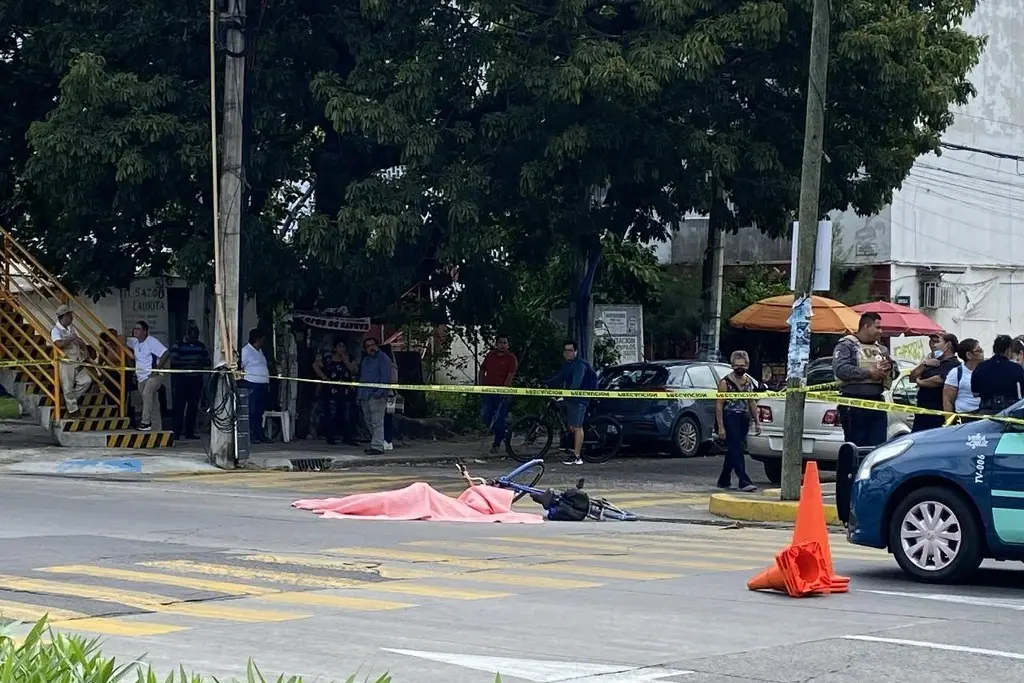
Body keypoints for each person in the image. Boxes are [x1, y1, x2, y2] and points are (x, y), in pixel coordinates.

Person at [832, 312, 899, 448]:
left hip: (877, 402)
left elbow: (895, 370)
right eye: (877, 327)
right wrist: (869, 372)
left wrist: (889, 367)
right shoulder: (847, 345)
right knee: (856, 447)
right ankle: (853, 470)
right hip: (854, 403)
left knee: (877, 447)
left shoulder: (881, 349)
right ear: (866, 326)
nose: (881, 331)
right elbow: (841, 370)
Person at [546, 339, 598, 466]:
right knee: (570, 426)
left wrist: (564, 394)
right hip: (571, 398)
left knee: (577, 427)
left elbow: (576, 383)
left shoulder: (579, 365)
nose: (567, 353)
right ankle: (572, 448)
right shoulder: (567, 365)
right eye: (565, 350)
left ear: (575, 351)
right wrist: (545, 383)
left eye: (570, 350)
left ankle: (577, 456)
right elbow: (558, 377)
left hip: (581, 398)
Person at [715, 350, 760, 492]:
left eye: (743, 365)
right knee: (737, 449)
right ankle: (743, 480)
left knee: (734, 450)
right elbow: (719, 405)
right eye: (737, 365)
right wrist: (721, 427)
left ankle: (724, 479)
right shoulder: (725, 382)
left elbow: (751, 401)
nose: (740, 368)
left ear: (747, 365)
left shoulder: (748, 382)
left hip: (743, 418)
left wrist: (757, 421)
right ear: (732, 365)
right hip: (730, 417)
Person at [168, 321, 210, 440]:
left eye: (195, 335)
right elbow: (173, 361)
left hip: (196, 380)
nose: (193, 337)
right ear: (186, 334)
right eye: (191, 334)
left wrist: (195, 364)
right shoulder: (178, 345)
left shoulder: (200, 346)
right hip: (182, 380)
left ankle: (189, 432)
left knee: (193, 407)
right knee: (179, 407)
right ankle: (176, 432)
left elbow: (207, 361)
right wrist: (190, 364)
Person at [909, 332, 959, 432]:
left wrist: (920, 382)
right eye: (931, 342)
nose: (933, 345)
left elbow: (938, 380)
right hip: (922, 412)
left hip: (938, 412)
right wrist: (924, 364)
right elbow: (912, 377)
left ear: (948, 345)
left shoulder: (953, 364)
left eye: (936, 342)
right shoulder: (931, 362)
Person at [312, 339, 358, 446]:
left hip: (346, 390)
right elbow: (315, 365)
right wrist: (323, 377)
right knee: (331, 414)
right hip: (331, 390)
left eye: (343, 346)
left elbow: (355, 370)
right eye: (339, 346)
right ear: (335, 348)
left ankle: (348, 437)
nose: (341, 348)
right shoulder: (328, 360)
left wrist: (346, 362)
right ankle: (330, 437)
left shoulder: (350, 359)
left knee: (347, 414)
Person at [479, 335, 519, 454]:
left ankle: (496, 443)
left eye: (505, 343)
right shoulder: (490, 355)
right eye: (500, 342)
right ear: (496, 344)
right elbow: (482, 369)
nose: (503, 345)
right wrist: (480, 385)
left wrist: (504, 390)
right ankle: (505, 432)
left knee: (499, 417)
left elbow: (511, 374)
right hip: (489, 391)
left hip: (503, 394)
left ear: (508, 345)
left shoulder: (511, 358)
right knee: (485, 415)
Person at [126, 320, 168, 431]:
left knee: (147, 393)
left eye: (138, 329)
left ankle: (145, 422)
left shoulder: (151, 341)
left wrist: (156, 369)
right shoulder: (134, 342)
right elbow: (120, 339)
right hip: (141, 378)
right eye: (135, 329)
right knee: (152, 403)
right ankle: (156, 429)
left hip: (154, 375)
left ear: (145, 331)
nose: (135, 330)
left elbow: (165, 353)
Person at [50, 304, 92, 416]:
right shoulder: (55, 330)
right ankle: (73, 410)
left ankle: (69, 401)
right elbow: (58, 344)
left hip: (77, 360)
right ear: (63, 317)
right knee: (67, 386)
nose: (72, 318)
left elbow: (79, 340)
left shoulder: (72, 328)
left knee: (86, 381)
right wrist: (70, 338)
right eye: (69, 316)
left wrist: (85, 350)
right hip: (65, 362)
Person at [357, 336, 393, 455]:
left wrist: (379, 393)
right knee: (368, 421)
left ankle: (377, 446)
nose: (371, 348)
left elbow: (385, 377)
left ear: (377, 346)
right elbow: (362, 378)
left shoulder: (383, 359)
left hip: (377, 395)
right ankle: (377, 442)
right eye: (368, 346)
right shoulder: (366, 361)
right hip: (365, 395)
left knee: (377, 422)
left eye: (373, 345)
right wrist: (359, 395)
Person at [971, 334, 1024, 415]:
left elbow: (975, 393)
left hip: (985, 411)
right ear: (1008, 350)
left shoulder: (981, 366)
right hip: (1009, 412)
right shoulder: (1016, 368)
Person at [240, 329, 270, 443]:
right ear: (257, 339)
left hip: (262, 385)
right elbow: (240, 366)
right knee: (251, 411)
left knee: (259, 412)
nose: (264, 341)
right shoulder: (246, 351)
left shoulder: (260, 351)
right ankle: (251, 435)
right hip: (252, 384)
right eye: (262, 339)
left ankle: (259, 434)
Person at [943, 338, 982, 420]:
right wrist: (949, 421)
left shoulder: (986, 370)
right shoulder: (956, 373)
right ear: (969, 355)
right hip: (964, 416)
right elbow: (948, 400)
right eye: (979, 350)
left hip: (984, 414)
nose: (982, 353)